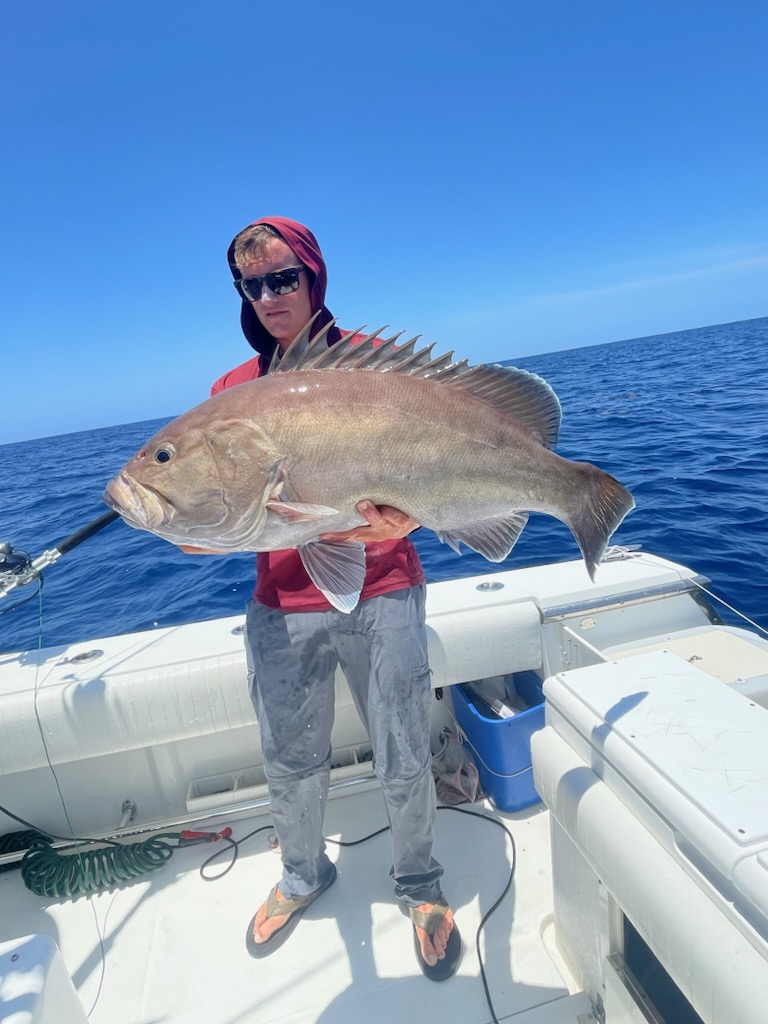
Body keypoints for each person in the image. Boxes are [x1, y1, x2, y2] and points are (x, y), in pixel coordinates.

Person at [209, 216, 462, 979]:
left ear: (312, 275)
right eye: (252, 285)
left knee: (404, 747)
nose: (269, 295)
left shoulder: (380, 369)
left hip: (383, 586)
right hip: (280, 605)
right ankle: (301, 873)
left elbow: (443, 466)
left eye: (283, 277)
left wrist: (418, 514)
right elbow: (218, 512)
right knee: (289, 759)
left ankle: (419, 878)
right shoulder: (230, 394)